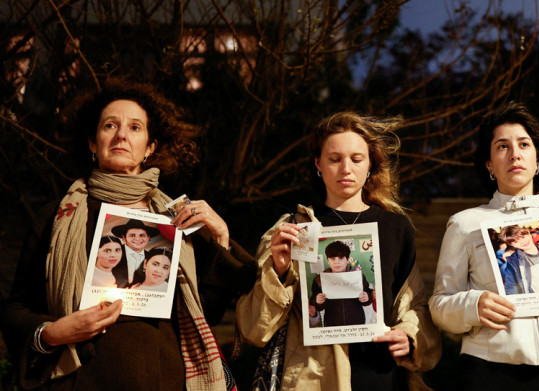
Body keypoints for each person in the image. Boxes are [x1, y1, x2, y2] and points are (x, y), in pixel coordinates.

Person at [0, 80, 257, 390]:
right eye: (110, 125)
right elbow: (15, 310)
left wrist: (221, 237)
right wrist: (53, 333)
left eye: (135, 127)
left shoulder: (176, 218)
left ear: (150, 147)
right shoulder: (58, 217)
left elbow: (208, 312)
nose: (121, 134)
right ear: (92, 143)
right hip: (81, 381)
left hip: (166, 381)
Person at [236, 111, 441, 390]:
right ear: (318, 164)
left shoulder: (395, 227)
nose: (346, 169)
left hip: (381, 378)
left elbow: (414, 305)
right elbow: (254, 331)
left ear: (370, 164)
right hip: (312, 381)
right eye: (335, 159)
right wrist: (279, 272)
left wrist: (409, 336)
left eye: (356, 159)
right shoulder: (293, 230)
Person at [429, 102, 539, 390]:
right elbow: (440, 305)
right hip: (489, 371)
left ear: (537, 162)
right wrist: (472, 305)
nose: (514, 154)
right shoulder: (465, 224)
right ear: (489, 164)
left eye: (524, 144)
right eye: (502, 146)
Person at [310, 241, 374, 327]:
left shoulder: (358, 276)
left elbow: (368, 296)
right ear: (328, 260)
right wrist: (317, 301)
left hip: (357, 322)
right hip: (332, 324)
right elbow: (315, 306)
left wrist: (366, 298)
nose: (336, 262)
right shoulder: (319, 279)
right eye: (333, 258)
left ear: (347, 259)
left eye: (341, 258)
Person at [110, 218, 161, 284]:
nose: (137, 239)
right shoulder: (112, 254)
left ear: (148, 237)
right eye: (132, 235)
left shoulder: (153, 258)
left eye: (142, 235)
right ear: (124, 238)